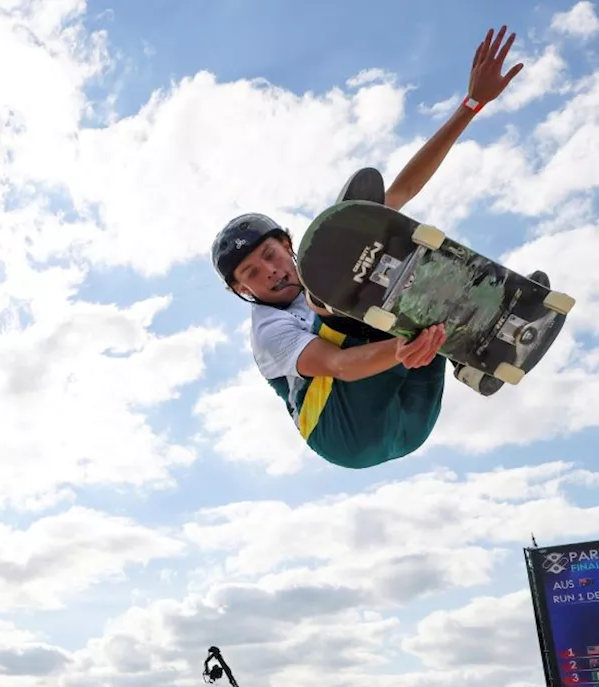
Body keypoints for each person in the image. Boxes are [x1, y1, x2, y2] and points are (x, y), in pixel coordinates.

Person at [211, 26, 526, 469]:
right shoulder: (268, 331)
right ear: (242, 291)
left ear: (287, 243)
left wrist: (471, 106)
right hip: (343, 431)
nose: (270, 273)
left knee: (392, 263)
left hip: (410, 418)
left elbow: (403, 191)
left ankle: (476, 346)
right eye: (251, 275)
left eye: (269, 256)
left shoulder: (334, 256)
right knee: (343, 297)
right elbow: (337, 366)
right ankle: (339, 306)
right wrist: (396, 349)